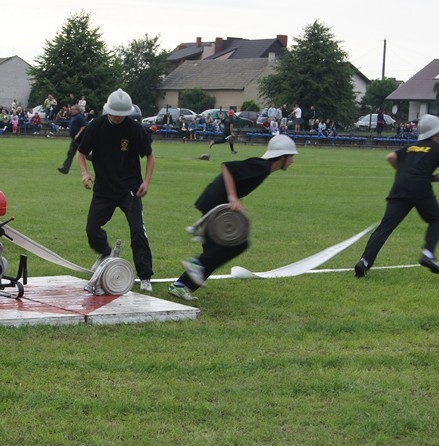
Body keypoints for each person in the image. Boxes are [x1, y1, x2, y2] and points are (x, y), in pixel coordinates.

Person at [168, 135, 299, 301]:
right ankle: (195, 266)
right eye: (291, 156)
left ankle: (181, 285)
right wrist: (231, 196)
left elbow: (238, 182)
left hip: (214, 200)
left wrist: (237, 200)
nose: (292, 161)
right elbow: (228, 168)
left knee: (214, 250)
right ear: (282, 157)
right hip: (216, 201)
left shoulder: (264, 168)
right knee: (237, 244)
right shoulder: (261, 166)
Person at [76, 88, 156, 292]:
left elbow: (149, 155)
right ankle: (105, 252)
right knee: (92, 229)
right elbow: (81, 152)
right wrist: (85, 173)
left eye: (122, 115)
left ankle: (145, 276)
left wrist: (146, 182)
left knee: (138, 231)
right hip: (103, 188)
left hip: (130, 189)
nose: (118, 118)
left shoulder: (134, 129)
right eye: (115, 114)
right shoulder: (96, 126)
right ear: (108, 110)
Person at [353, 114, 439, 278]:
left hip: (400, 186)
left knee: (385, 227)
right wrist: (430, 178)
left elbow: (390, 157)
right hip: (420, 188)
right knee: (436, 220)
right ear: (435, 132)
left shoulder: (410, 147)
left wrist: (404, 172)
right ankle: (428, 253)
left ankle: (364, 261)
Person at [57, 104, 88, 174]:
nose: (71, 110)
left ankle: (98, 160)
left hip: (79, 139)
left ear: (77, 110)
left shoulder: (79, 117)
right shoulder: (73, 116)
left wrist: (78, 134)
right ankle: (65, 169)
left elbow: (84, 126)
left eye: (72, 109)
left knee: (85, 154)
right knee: (70, 153)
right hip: (74, 139)